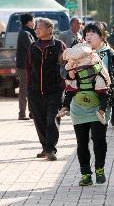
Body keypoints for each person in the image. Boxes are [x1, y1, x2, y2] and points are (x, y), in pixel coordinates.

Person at [65, 22, 114, 186]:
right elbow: (63, 70)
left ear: (102, 36)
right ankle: (85, 173)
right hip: (79, 104)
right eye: (86, 34)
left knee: (99, 139)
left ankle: (99, 169)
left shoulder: (111, 54)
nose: (88, 37)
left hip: (101, 103)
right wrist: (69, 73)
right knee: (81, 141)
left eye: (92, 34)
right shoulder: (77, 49)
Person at [26, 18, 66, 161]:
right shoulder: (32, 47)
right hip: (35, 91)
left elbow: (65, 67)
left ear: (49, 29)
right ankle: (45, 147)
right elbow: (29, 69)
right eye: (36, 27)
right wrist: (29, 89)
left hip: (54, 91)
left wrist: (62, 86)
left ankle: (51, 149)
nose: (36, 30)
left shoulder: (59, 46)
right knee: (40, 121)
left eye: (39, 27)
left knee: (52, 120)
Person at [16, 13, 37, 120]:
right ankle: (22, 114)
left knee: (30, 89)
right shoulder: (25, 33)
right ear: (29, 22)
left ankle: (31, 112)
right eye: (33, 21)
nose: (34, 23)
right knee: (24, 89)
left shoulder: (28, 32)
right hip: (24, 66)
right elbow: (32, 47)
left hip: (27, 66)